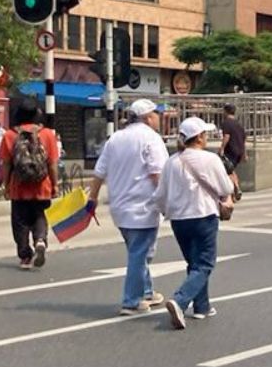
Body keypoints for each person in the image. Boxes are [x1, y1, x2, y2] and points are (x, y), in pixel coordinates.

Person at [153, 117, 234, 330]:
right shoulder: (210, 159)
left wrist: (163, 211)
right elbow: (226, 188)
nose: (207, 137)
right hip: (203, 216)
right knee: (205, 264)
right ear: (198, 137)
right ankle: (180, 300)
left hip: (179, 220)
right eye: (205, 134)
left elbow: (160, 195)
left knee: (194, 263)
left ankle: (202, 307)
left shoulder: (171, 162)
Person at [90, 99, 169, 315]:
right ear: (148, 118)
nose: (159, 118)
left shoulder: (115, 138)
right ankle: (131, 300)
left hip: (119, 207)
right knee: (141, 253)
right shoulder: (151, 139)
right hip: (143, 207)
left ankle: (147, 291)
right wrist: (167, 202)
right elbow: (157, 174)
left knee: (138, 251)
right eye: (156, 114)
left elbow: (99, 172)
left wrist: (92, 199)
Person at [0, 98, 59, 270]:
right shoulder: (46, 134)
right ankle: (40, 239)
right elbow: (52, 163)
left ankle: (25, 256)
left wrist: (6, 184)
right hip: (42, 185)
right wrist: (55, 185)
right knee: (39, 215)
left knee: (20, 222)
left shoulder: (10, 136)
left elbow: (7, 163)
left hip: (19, 187)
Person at [218, 103, 246, 202]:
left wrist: (221, 148)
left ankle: (235, 190)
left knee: (227, 172)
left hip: (230, 151)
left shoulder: (226, 123)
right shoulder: (238, 124)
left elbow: (227, 136)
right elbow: (243, 139)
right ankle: (236, 188)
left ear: (226, 111)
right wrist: (244, 154)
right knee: (231, 170)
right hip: (239, 151)